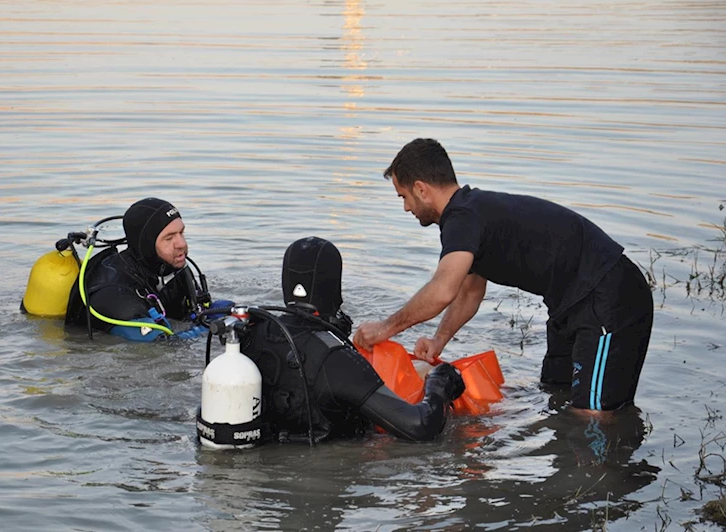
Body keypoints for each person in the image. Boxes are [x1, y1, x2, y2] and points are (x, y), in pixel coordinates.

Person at [353, 138, 653, 412]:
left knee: (592, 414)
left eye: (403, 196)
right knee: (556, 393)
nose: (406, 207)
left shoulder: (464, 217)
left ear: (421, 188)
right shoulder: (470, 214)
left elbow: (443, 290)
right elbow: (469, 291)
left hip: (606, 298)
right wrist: (439, 340)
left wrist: (384, 329)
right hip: (571, 305)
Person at [240, 236, 467, 443]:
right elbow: (419, 427)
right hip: (326, 476)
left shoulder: (250, 333)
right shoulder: (336, 358)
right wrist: (438, 386)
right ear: (333, 285)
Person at [65, 197, 232, 341]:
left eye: (181, 233)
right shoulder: (113, 292)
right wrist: (218, 327)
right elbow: (161, 345)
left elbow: (194, 313)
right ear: (147, 244)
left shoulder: (171, 267)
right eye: (169, 238)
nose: (181, 244)